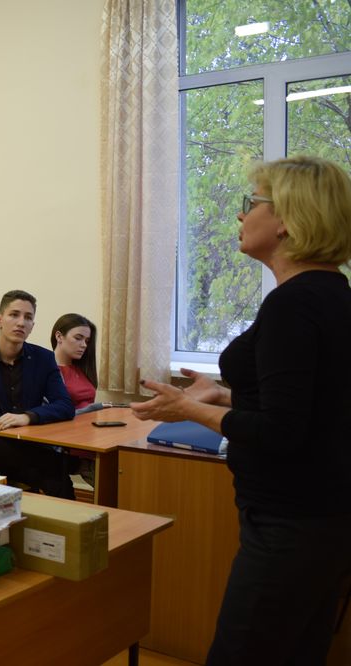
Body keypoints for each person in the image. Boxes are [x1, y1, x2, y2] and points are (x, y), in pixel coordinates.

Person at [131, 156, 351, 665]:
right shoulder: (333, 294)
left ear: (287, 219)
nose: (240, 214)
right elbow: (314, 407)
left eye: (251, 203)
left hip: (289, 525)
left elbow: (280, 430)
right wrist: (223, 395)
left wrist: (186, 408)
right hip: (326, 520)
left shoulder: (292, 305)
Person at [0, 289, 75, 497]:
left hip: (28, 447)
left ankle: (68, 514)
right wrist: (2, 432)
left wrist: (28, 417)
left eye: (28, 317)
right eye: (14, 315)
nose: (21, 322)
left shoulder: (44, 359)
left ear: (32, 326)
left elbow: (65, 406)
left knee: (54, 472)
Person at [50, 313, 98, 411]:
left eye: (87, 341)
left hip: (91, 419)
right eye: (78, 338)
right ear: (59, 336)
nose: (84, 345)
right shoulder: (47, 369)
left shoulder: (82, 368)